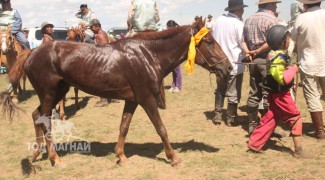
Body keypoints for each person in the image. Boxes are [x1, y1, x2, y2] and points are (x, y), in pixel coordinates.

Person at [247, 25, 313, 158]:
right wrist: (294, 68)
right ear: (282, 41)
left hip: (274, 94)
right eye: (288, 38)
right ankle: (298, 150)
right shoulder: (279, 57)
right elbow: (282, 79)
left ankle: (254, 144)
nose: (289, 40)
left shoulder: (273, 54)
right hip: (281, 95)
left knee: (271, 117)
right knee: (295, 118)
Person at [242, 0, 280, 135]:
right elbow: (272, 41)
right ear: (269, 6)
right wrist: (257, 52)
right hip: (267, 59)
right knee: (269, 94)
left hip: (253, 61)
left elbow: (243, 41)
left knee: (254, 92)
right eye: (275, 5)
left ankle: (252, 125)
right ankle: (268, 126)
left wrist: (249, 53)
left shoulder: (249, 19)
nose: (276, 7)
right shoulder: (272, 19)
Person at [291, 0, 325, 139]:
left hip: (308, 62)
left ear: (304, 5)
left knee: (312, 96)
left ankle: (320, 131)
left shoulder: (301, 18)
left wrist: (288, 58)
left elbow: (292, 39)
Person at [211, 0, 248, 126]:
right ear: (238, 9)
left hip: (219, 63)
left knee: (220, 89)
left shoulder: (218, 21)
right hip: (234, 62)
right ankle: (231, 119)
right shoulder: (238, 24)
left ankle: (217, 115)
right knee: (233, 92)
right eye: (242, 8)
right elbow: (242, 43)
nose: (243, 11)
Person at [89, 19, 117, 107]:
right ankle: (112, 97)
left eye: (91, 27)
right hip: (107, 61)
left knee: (99, 80)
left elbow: (105, 49)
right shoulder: (102, 33)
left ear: (97, 26)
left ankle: (104, 100)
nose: (91, 29)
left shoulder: (100, 35)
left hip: (103, 61)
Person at [166, 20, 182, 93]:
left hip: (177, 55)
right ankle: (173, 85)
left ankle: (178, 86)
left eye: (168, 27)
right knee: (173, 71)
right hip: (171, 55)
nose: (167, 29)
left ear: (171, 27)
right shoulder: (170, 34)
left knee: (177, 71)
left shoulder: (177, 34)